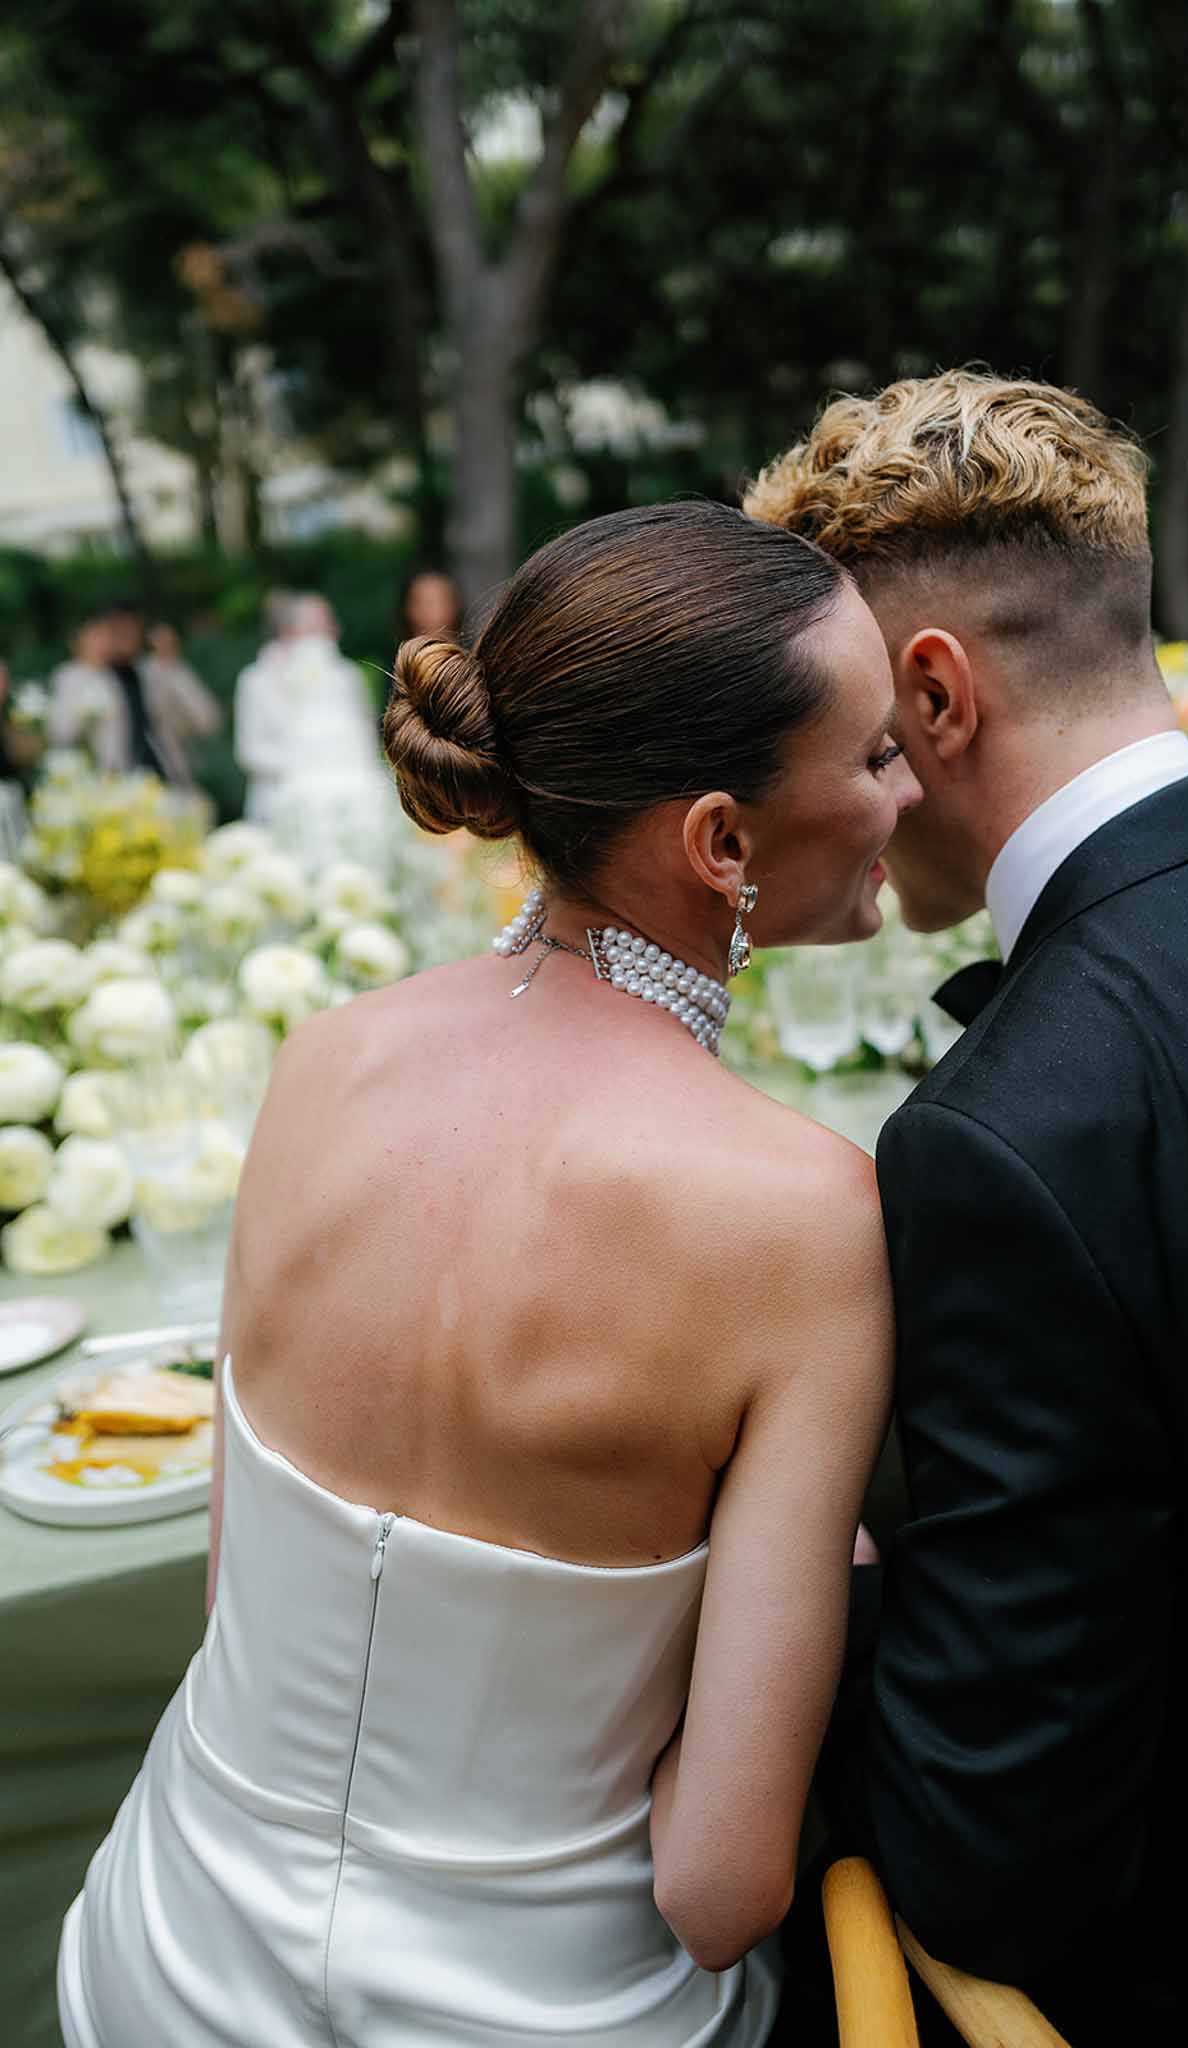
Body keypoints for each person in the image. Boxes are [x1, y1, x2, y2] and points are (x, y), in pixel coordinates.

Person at [59, 499, 916, 2048]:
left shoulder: (322, 1062)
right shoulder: (796, 1217)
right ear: (719, 842)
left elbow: (238, 1601)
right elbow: (718, 1890)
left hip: (161, 1954)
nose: (911, 788)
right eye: (871, 757)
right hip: (537, 2011)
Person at [744, 370, 1188, 2047]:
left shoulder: (1001, 1138)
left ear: (934, 696)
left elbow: (994, 1843)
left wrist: (823, 1580)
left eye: (848, 725)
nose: (844, 784)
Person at [234, 593, 383, 850]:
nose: (324, 635)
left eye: (326, 625)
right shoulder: (256, 680)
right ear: (288, 632)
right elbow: (250, 751)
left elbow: (363, 738)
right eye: (313, 627)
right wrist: (311, 766)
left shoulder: (349, 676)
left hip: (350, 805)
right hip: (278, 804)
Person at [47, 603, 219, 784]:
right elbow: (61, 734)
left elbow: (207, 721)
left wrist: (173, 664)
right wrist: (90, 669)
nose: (125, 637)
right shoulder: (77, 676)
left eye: (132, 628)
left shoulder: (156, 672)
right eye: (116, 630)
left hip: (169, 780)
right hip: (112, 786)